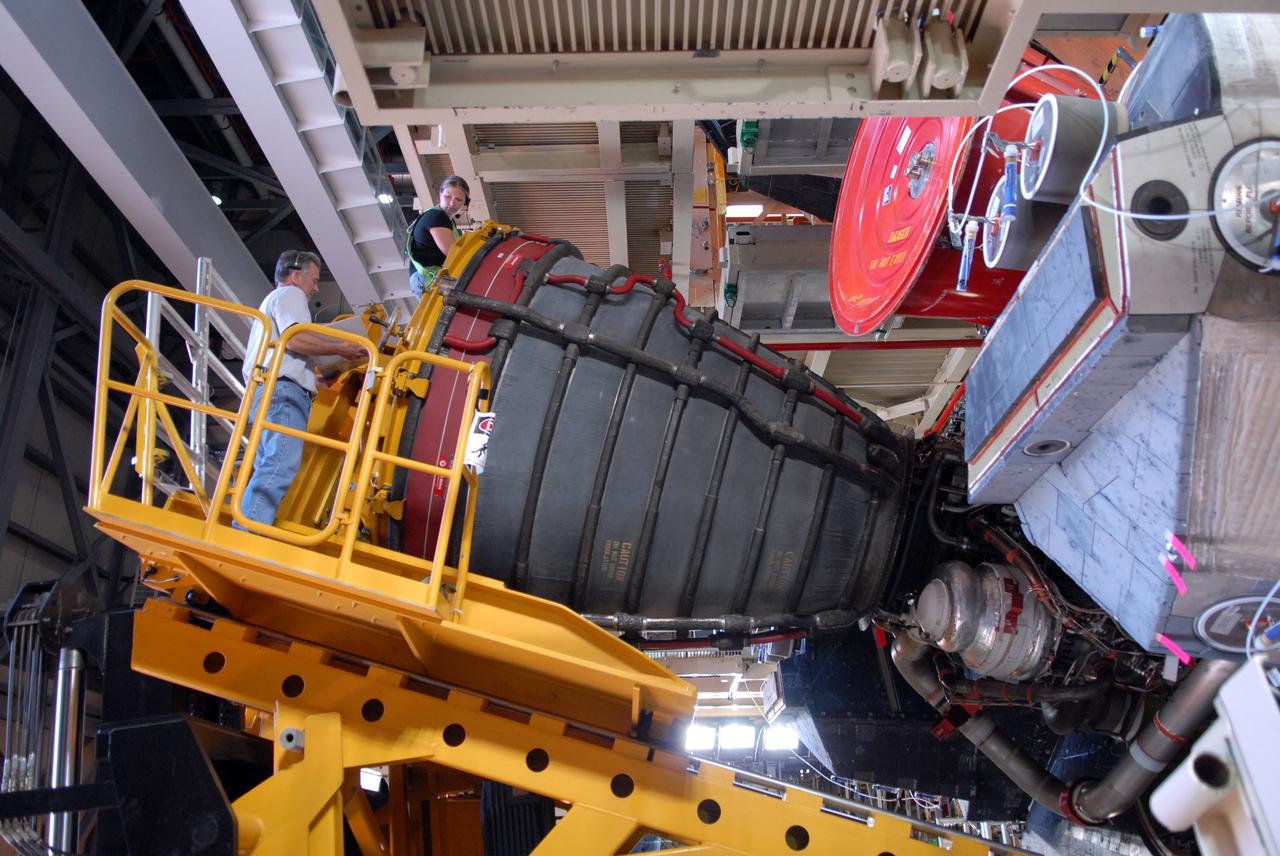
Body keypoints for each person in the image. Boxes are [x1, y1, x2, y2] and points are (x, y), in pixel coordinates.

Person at [238, 250, 367, 528]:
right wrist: (341, 348)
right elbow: (294, 339)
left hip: (266, 390)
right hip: (283, 392)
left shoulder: (271, 302)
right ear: (297, 276)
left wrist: (314, 378)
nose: (316, 288)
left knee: (268, 463)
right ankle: (250, 529)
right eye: (315, 280)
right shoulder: (291, 294)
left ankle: (249, 523)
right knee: (281, 462)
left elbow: (285, 348)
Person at [407, 175, 470, 298]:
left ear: (465, 203)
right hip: (429, 279)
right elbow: (453, 255)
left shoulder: (442, 219)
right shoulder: (437, 217)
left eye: (458, 199)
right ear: (440, 194)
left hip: (425, 279)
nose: (452, 203)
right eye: (448, 197)